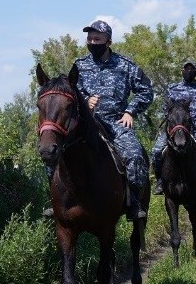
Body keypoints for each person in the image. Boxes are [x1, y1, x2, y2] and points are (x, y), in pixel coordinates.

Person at [45, 19, 153, 221]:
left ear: (108, 41)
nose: (92, 42)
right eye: (89, 39)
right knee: (52, 152)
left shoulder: (125, 65)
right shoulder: (80, 65)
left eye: (97, 39)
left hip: (115, 123)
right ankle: (54, 202)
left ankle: (134, 203)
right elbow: (70, 93)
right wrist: (85, 101)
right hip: (85, 124)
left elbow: (146, 91)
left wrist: (130, 111)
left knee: (135, 154)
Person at [151, 60, 196, 196]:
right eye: (186, 68)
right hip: (174, 130)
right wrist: (171, 123)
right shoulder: (172, 89)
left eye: (192, 69)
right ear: (181, 70)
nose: (189, 71)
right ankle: (160, 181)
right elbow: (165, 109)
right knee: (155, 151)